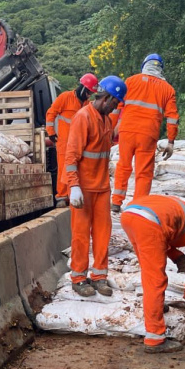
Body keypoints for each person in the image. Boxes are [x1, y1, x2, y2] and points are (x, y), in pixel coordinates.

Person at [120, 195, 185, 353]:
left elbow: (164, 234)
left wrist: (177, 256)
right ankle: (155, 339)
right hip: (149, 223)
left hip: (129, 216)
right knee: (155, 280)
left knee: (149, 272)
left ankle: (155, 307)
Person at [64, 75, 127, 297]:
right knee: (81, 235)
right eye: (115, 102)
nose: (115, 107)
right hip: (84, 188)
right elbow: (71, 156)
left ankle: (99, 276)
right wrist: (73, 187)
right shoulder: (83, 118)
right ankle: (79, 278)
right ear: (106, 97)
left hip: (101, 188)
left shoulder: (106, 120)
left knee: (102, 234)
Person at [111, 54, 180, 212]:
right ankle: (138, 205)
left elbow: (116, 108)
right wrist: (170, 141)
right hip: (148, 135)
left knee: (123, 165)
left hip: (127, 131)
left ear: (144, 65)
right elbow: (172, 118)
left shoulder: (130, 81)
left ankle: (116, 202)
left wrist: (109, 129)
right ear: (161, 68)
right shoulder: (168, 89)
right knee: (144, 172)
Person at [45, 74, 99, 208]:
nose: (89, 95)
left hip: (80, 144)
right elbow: (51, 113)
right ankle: (62, 197)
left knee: (77, 169)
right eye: (88, 92)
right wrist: (51, 132)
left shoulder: (87, 104)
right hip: (64, 141)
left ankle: (72, 195)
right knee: (64, 168)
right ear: (82, 88)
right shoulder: (65, 97)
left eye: (91, 93)